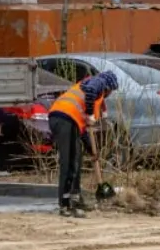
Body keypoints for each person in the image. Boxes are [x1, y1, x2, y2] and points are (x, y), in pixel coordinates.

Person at [46, 70, 118, 218]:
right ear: (109, 87)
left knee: (76, 160)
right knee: (69, 162)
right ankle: (65, 205)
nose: (110, 94)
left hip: (69, 120)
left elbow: (84, 130)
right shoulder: (99, 83)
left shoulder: (94, 97)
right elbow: (91, 90)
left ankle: (75, 199)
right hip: (63, 118)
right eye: (112, 90)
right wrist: (91, 113)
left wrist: (91, 149)